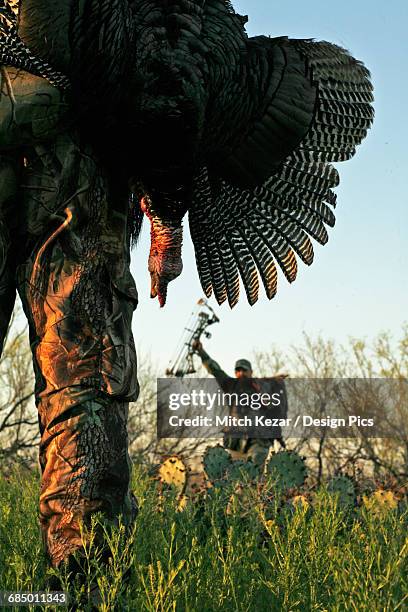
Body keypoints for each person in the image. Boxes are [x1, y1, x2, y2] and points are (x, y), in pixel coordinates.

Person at [0, 67, 138, 571]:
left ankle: (79, 580)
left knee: (83, 374)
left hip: (80, 133)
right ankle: (83, 585)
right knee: (83, 376)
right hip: (81, 138)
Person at [192, 340, 288, 465]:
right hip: (236, 439)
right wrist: (201, 352)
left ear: (250, 372)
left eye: (244, 370)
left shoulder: (263, 386)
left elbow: (277, 410)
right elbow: (215, 370)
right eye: (238, 371)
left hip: (258, 438)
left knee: (255, 468)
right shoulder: (231, 385)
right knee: (235, 475)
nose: (241, 373)